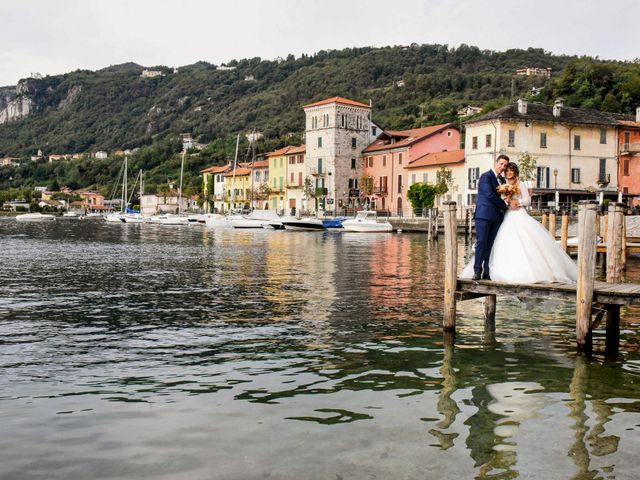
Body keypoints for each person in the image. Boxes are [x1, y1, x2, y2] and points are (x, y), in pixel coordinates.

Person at [462, 162, 577, 283]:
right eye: (507, 171)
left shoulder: (521, 184)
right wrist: (507, 201)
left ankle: (529, 270)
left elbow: (528, 200)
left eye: (511, 170)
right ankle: (489, 270)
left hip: (518, 214)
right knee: (501, 241)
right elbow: (495, 197)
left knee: (524, 240)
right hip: (506, 215)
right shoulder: (502, 183)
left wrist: (518, 202)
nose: (508, 172)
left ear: (515, 172)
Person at [471, 155, 510, 280]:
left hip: (497, 217)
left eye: (505, 165)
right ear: (496, 162)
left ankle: (487, 271)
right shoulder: (485, 177)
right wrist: (505, 205)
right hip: (484, 216)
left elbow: (504, 196)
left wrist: (507, 201)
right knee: (481, 242)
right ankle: (477, 271)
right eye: (501, 164)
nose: (502, 167)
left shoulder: (503, 181)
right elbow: (490, 195)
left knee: (491, 245)